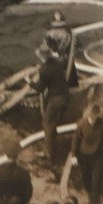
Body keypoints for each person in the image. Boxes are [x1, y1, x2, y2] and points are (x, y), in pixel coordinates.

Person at [70, 92, 103, 204]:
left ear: (97, 115)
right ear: (87, 115)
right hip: (83, 156)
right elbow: (75, 140)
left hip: (98, 156)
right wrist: (74, 155)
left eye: (94, 116)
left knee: (96, 180)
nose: (92, 119)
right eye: (90, 116)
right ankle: (92, 196)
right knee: (86, 179)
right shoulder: (81, 124)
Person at [33, 43, 72, 172]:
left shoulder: (44, 70)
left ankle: (50, 155)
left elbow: (40, 88)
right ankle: (52, 147)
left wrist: (29, 82)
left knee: (47, 124)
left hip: (55, 100)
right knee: (52, 124)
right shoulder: (57, 62)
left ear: (41, 56)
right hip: (65, 98)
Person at [44, 10, 79, 87]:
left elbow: (46, 46)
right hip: (64, 58)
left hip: (54, 58)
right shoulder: (67, 32)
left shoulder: (49, 33)